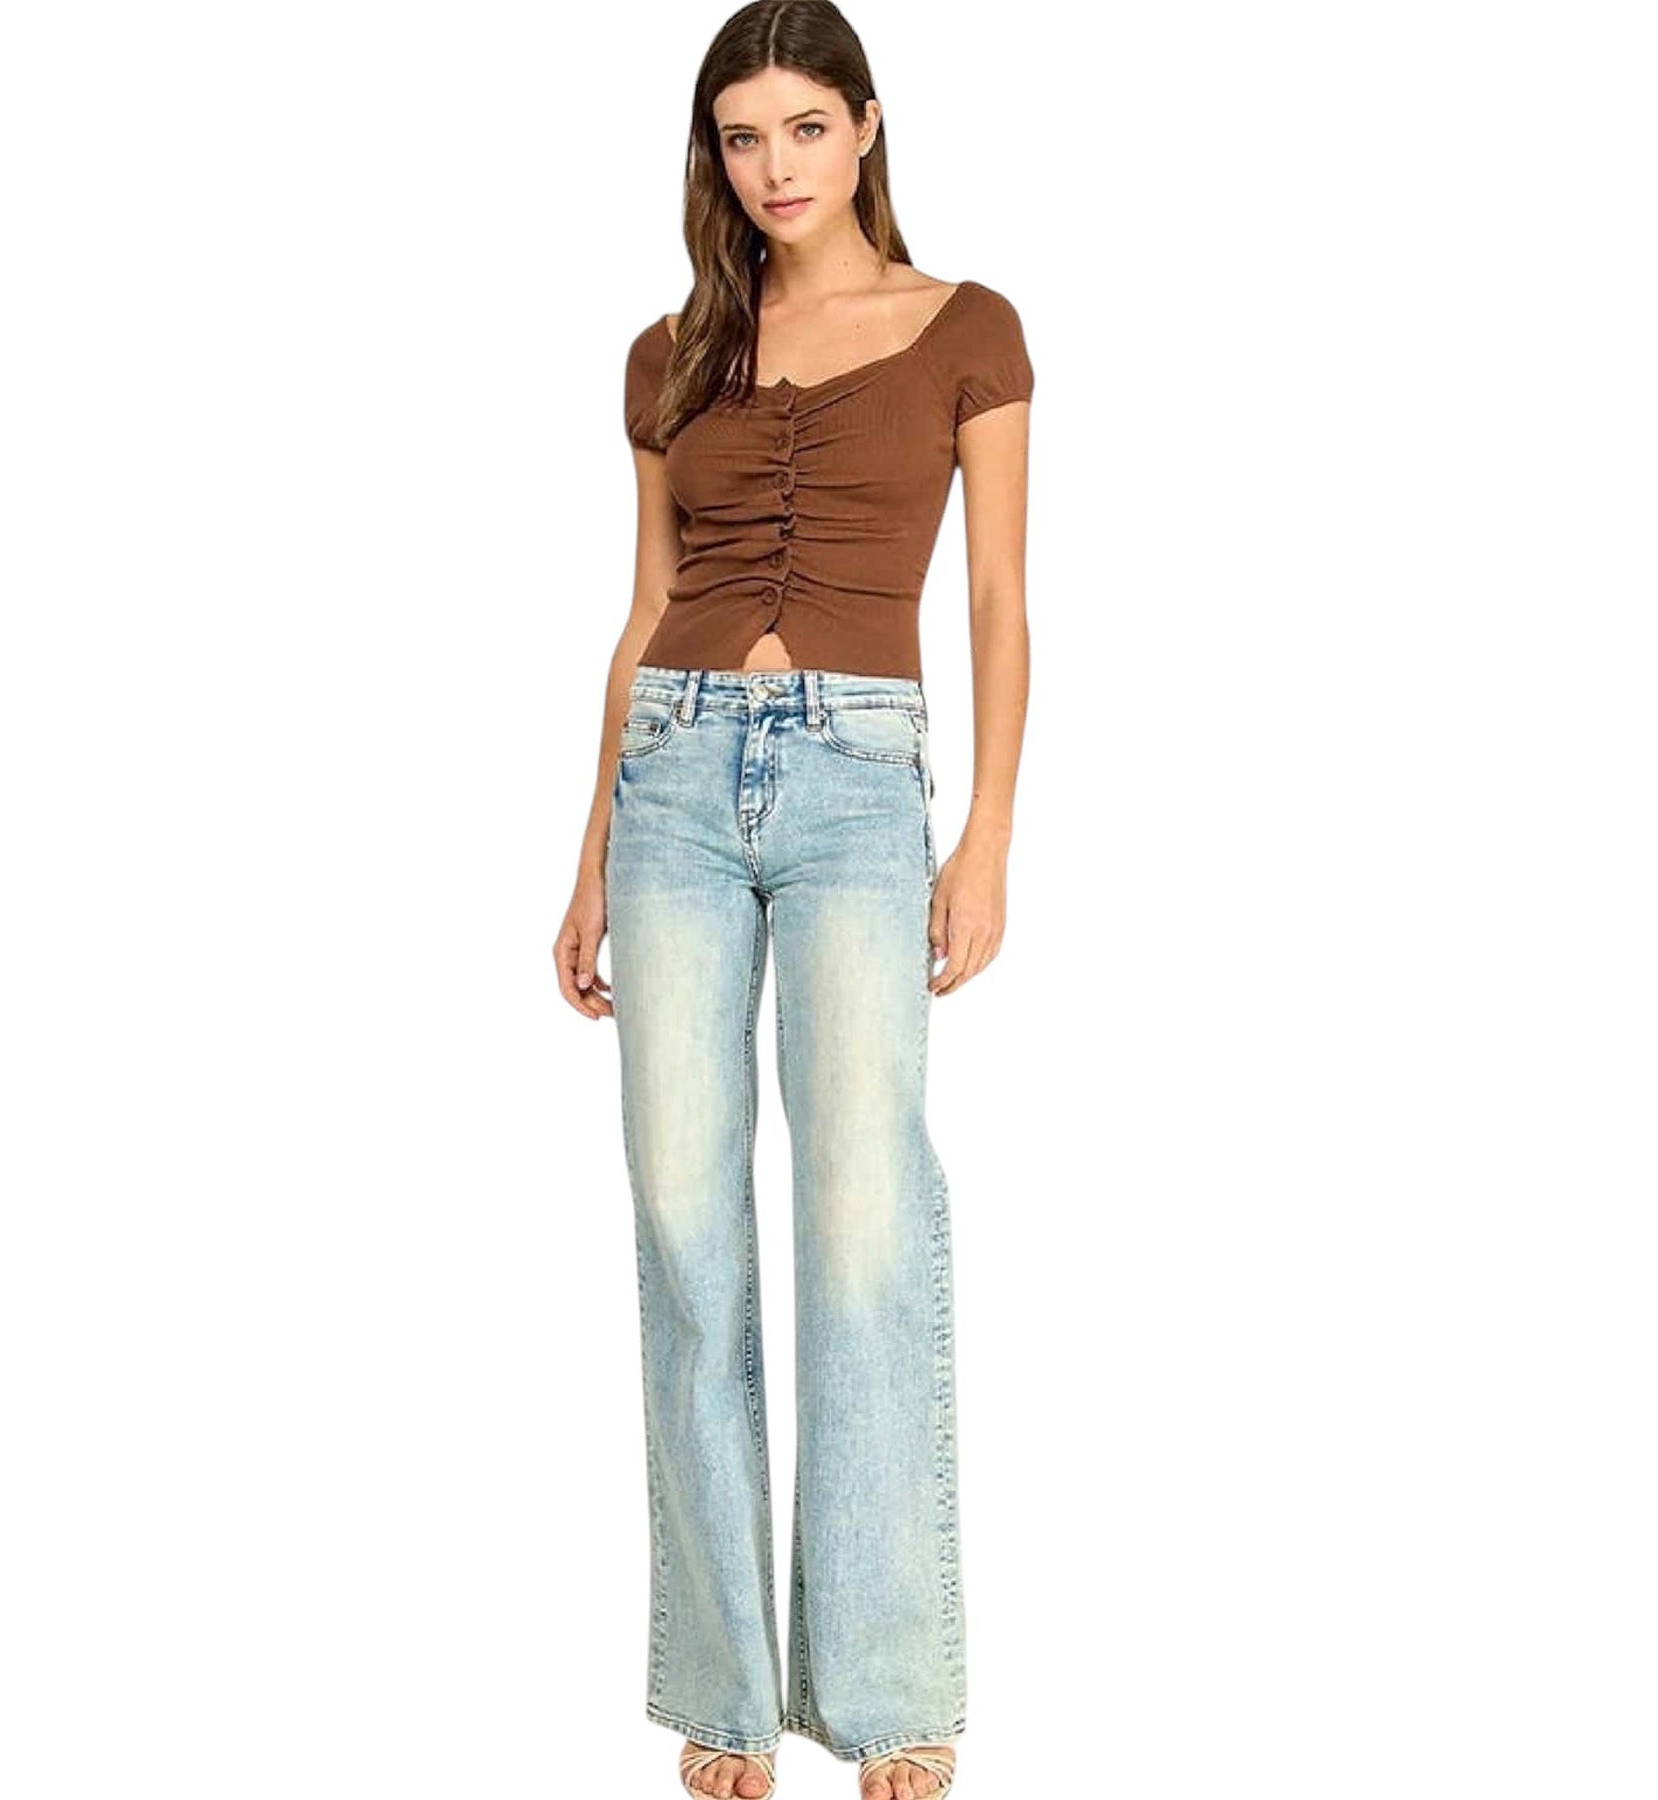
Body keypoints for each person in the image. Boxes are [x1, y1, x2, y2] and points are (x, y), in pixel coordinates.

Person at [553, 5, 1032, 1795]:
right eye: (742, 137)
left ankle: (893, 1688)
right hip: (673, 779)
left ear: (867, 128)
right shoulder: (669, 352)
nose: (776, 167)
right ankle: (724, 1690)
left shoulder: (968, 329)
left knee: (865, 1221)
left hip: (858, 782)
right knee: (685, 1231)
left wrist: (986, 837)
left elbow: (998, 602)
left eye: (805, 129)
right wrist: (588, 855)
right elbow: (642, 611)